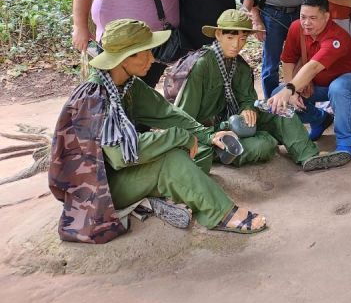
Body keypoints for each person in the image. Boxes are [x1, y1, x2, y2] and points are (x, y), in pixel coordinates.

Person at [49, 18, 266, 241]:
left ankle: (154, 199)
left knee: (200, 156)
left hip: (124, 173)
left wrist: (208, 136)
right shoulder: (96, 97)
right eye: (145, 52)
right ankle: (220, 213)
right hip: (100, 190)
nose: (152, 59)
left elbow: (168, 114)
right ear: (125, 57)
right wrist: (178, 137)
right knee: (173, 161)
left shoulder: (128, 84)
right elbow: (120, 156)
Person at [174, 10, 349, 171]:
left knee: (279, 109)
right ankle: (225, 149)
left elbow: (247, 98)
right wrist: (210, 136)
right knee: (264, 145)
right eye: (230, 37)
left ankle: (308, 156)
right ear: (218, 34)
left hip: (235, 122)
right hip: (207, 133)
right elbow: (183, 119)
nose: (237, 45)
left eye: (243, 39)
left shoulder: (240, 66)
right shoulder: (201, 65)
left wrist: (248, 108)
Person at [268, 0, 351, 161]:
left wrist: (290, 88)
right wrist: (290, 91)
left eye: (313, 18)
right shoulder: (296, 28)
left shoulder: (336, 36)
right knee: (277, 95)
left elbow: (314, 66)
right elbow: (288, 61)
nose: (306, 23)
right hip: (319, 85)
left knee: (338, 88)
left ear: (326, 16)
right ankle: (320, 119)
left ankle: (346, 142)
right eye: (303, 17)